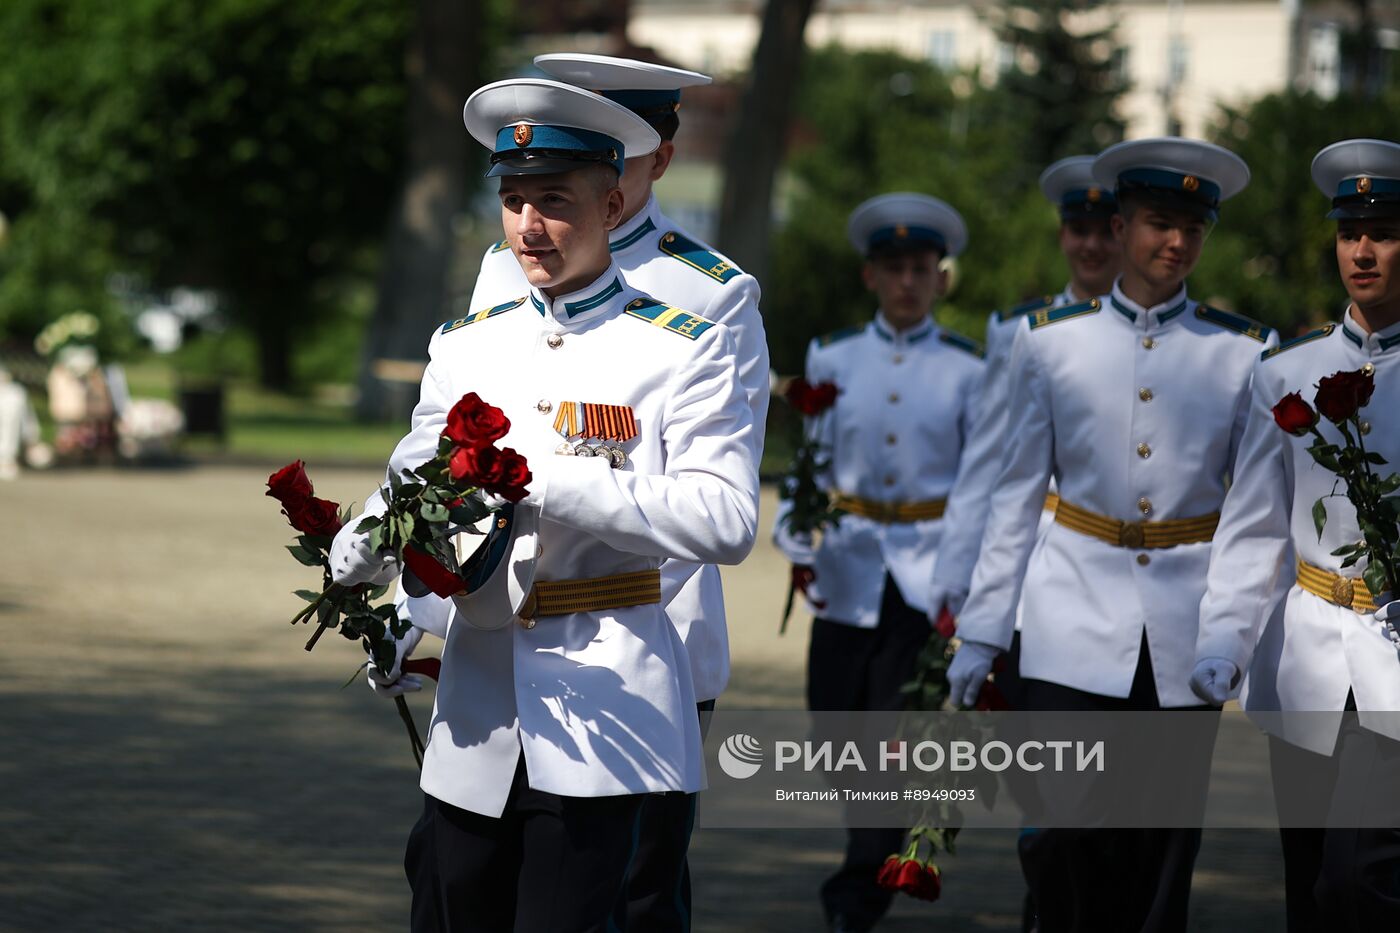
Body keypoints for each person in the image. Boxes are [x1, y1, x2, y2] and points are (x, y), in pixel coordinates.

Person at [329, 78, 759, 933]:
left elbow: (726, 520)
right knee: (447, 909)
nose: (529, 224)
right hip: (479, 697)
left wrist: (547, 478)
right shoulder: (467, 342)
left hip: (607, 695)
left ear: (613, 201)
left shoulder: (683, 346)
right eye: (514, 199)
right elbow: (420, 473)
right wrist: (369, 550)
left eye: (554, 201)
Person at [946, 137, 1278, 932]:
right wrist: (984, 631)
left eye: (1193, 229)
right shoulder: (1050, 340)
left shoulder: (1243, 353)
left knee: (1158, 849)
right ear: (1122, 223)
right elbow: (1016, 498)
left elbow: (1255, 516)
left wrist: (1229, 637)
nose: (1176, 243)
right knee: (1060, 832)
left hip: (1183, 630)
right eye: (1160, 222)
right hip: (1068, 620)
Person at [1190, 137, 1400, 931]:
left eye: (1383, 233)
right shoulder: (1286, 370)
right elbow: (1251, 528)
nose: (1364, 251)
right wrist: (1225, 640)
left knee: (1362, 877)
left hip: (1398, 658)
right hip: (1307, 657)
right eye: (1350, 233)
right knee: (1311, 884)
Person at [772, 193, 984, 933]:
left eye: (920, 269)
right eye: (893, 268)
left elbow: (977, 482)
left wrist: (966, 575)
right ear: (870, 276)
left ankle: (858, 891)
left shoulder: (966, 366)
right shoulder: (833, 354)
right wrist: (793, 526)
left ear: (940, 277)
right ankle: (868, 851)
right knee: (835, 731)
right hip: (849, 563)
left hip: (923, 573)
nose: (906, 281)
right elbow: (812, 454)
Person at [928, 154, 1120, 933]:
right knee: (1048, 781)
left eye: (1106, 230)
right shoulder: (1023, 329)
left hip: (1137, 579)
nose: (1092, 246)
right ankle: (1051, 903)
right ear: (1062, 234)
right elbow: (990, 468)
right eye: (1078, 229)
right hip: (1040, 581)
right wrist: (957, 582)